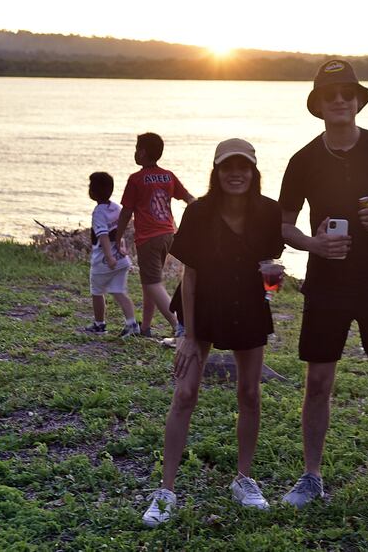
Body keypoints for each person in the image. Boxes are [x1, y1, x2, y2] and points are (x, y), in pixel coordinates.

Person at [278, 59, 368, 508]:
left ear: (358, 100)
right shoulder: (302, 160)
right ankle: (311, 476)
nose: (339, 100)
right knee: (318, 381)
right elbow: (284, 226)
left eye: (346, 93)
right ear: (318, 105)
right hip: (327, 281)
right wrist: (313, 246)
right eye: (329, 95)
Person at [142, 139, 284, 526]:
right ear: (216, 171)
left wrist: (273, 278)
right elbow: (191, 274)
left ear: (254, 172)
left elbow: (268, 259)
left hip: (249, 306)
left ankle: (244, 480)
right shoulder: (201, 211)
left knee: (250, 393)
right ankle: (166, 490)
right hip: (203, 305)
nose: (235, 174)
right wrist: (187, 332)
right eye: (227, 167)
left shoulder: (268, 211)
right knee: (185, 393)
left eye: (243, 167)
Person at [115, 132, 195, 338]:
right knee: (148, 281)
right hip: (168, 234)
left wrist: (117, 237)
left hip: (149, 238)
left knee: (153, 283)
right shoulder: (168, 175)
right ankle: (146, 327)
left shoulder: (136, 179)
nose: (134, 152)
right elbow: (189, 199)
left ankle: (179, 326)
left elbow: (125, 212)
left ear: (141, 152)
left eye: (136, 148)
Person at [84, 172, 139, 337]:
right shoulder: (117, 207)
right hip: (122, 260)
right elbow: (120, 229)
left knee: (97, 291)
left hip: (104, 261)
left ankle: (99, 324)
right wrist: (121, 247)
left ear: (93, 192)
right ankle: (132, 324)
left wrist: (109, 256)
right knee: (118, 291)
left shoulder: (98, 213)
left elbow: (103, 236)